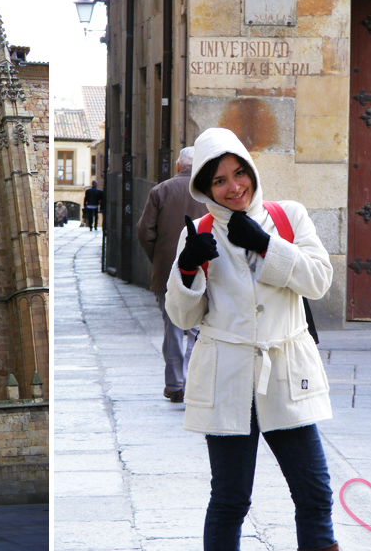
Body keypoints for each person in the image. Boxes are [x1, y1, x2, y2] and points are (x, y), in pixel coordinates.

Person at [165, 127, 338, 551]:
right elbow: (183, 315)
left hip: (285, 372)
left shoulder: (288, 216)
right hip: (227, 377)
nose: (233, 187)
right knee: (229, 501)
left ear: (252, 171)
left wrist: (266, 244)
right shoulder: (198, 232)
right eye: (219, 180)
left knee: (315, 495)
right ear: (204, 188)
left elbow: (318, 281)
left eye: (238, 173)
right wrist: (188, 268)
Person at [136, 146, 208, 402]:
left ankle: (176, 384)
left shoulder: (161, 190)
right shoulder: (210, 190)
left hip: (168, 272)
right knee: (200, 328)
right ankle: (194, 382)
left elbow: (145, 232)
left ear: (178, 166)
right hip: (206, 271)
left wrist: (158, 259)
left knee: (174, 327)